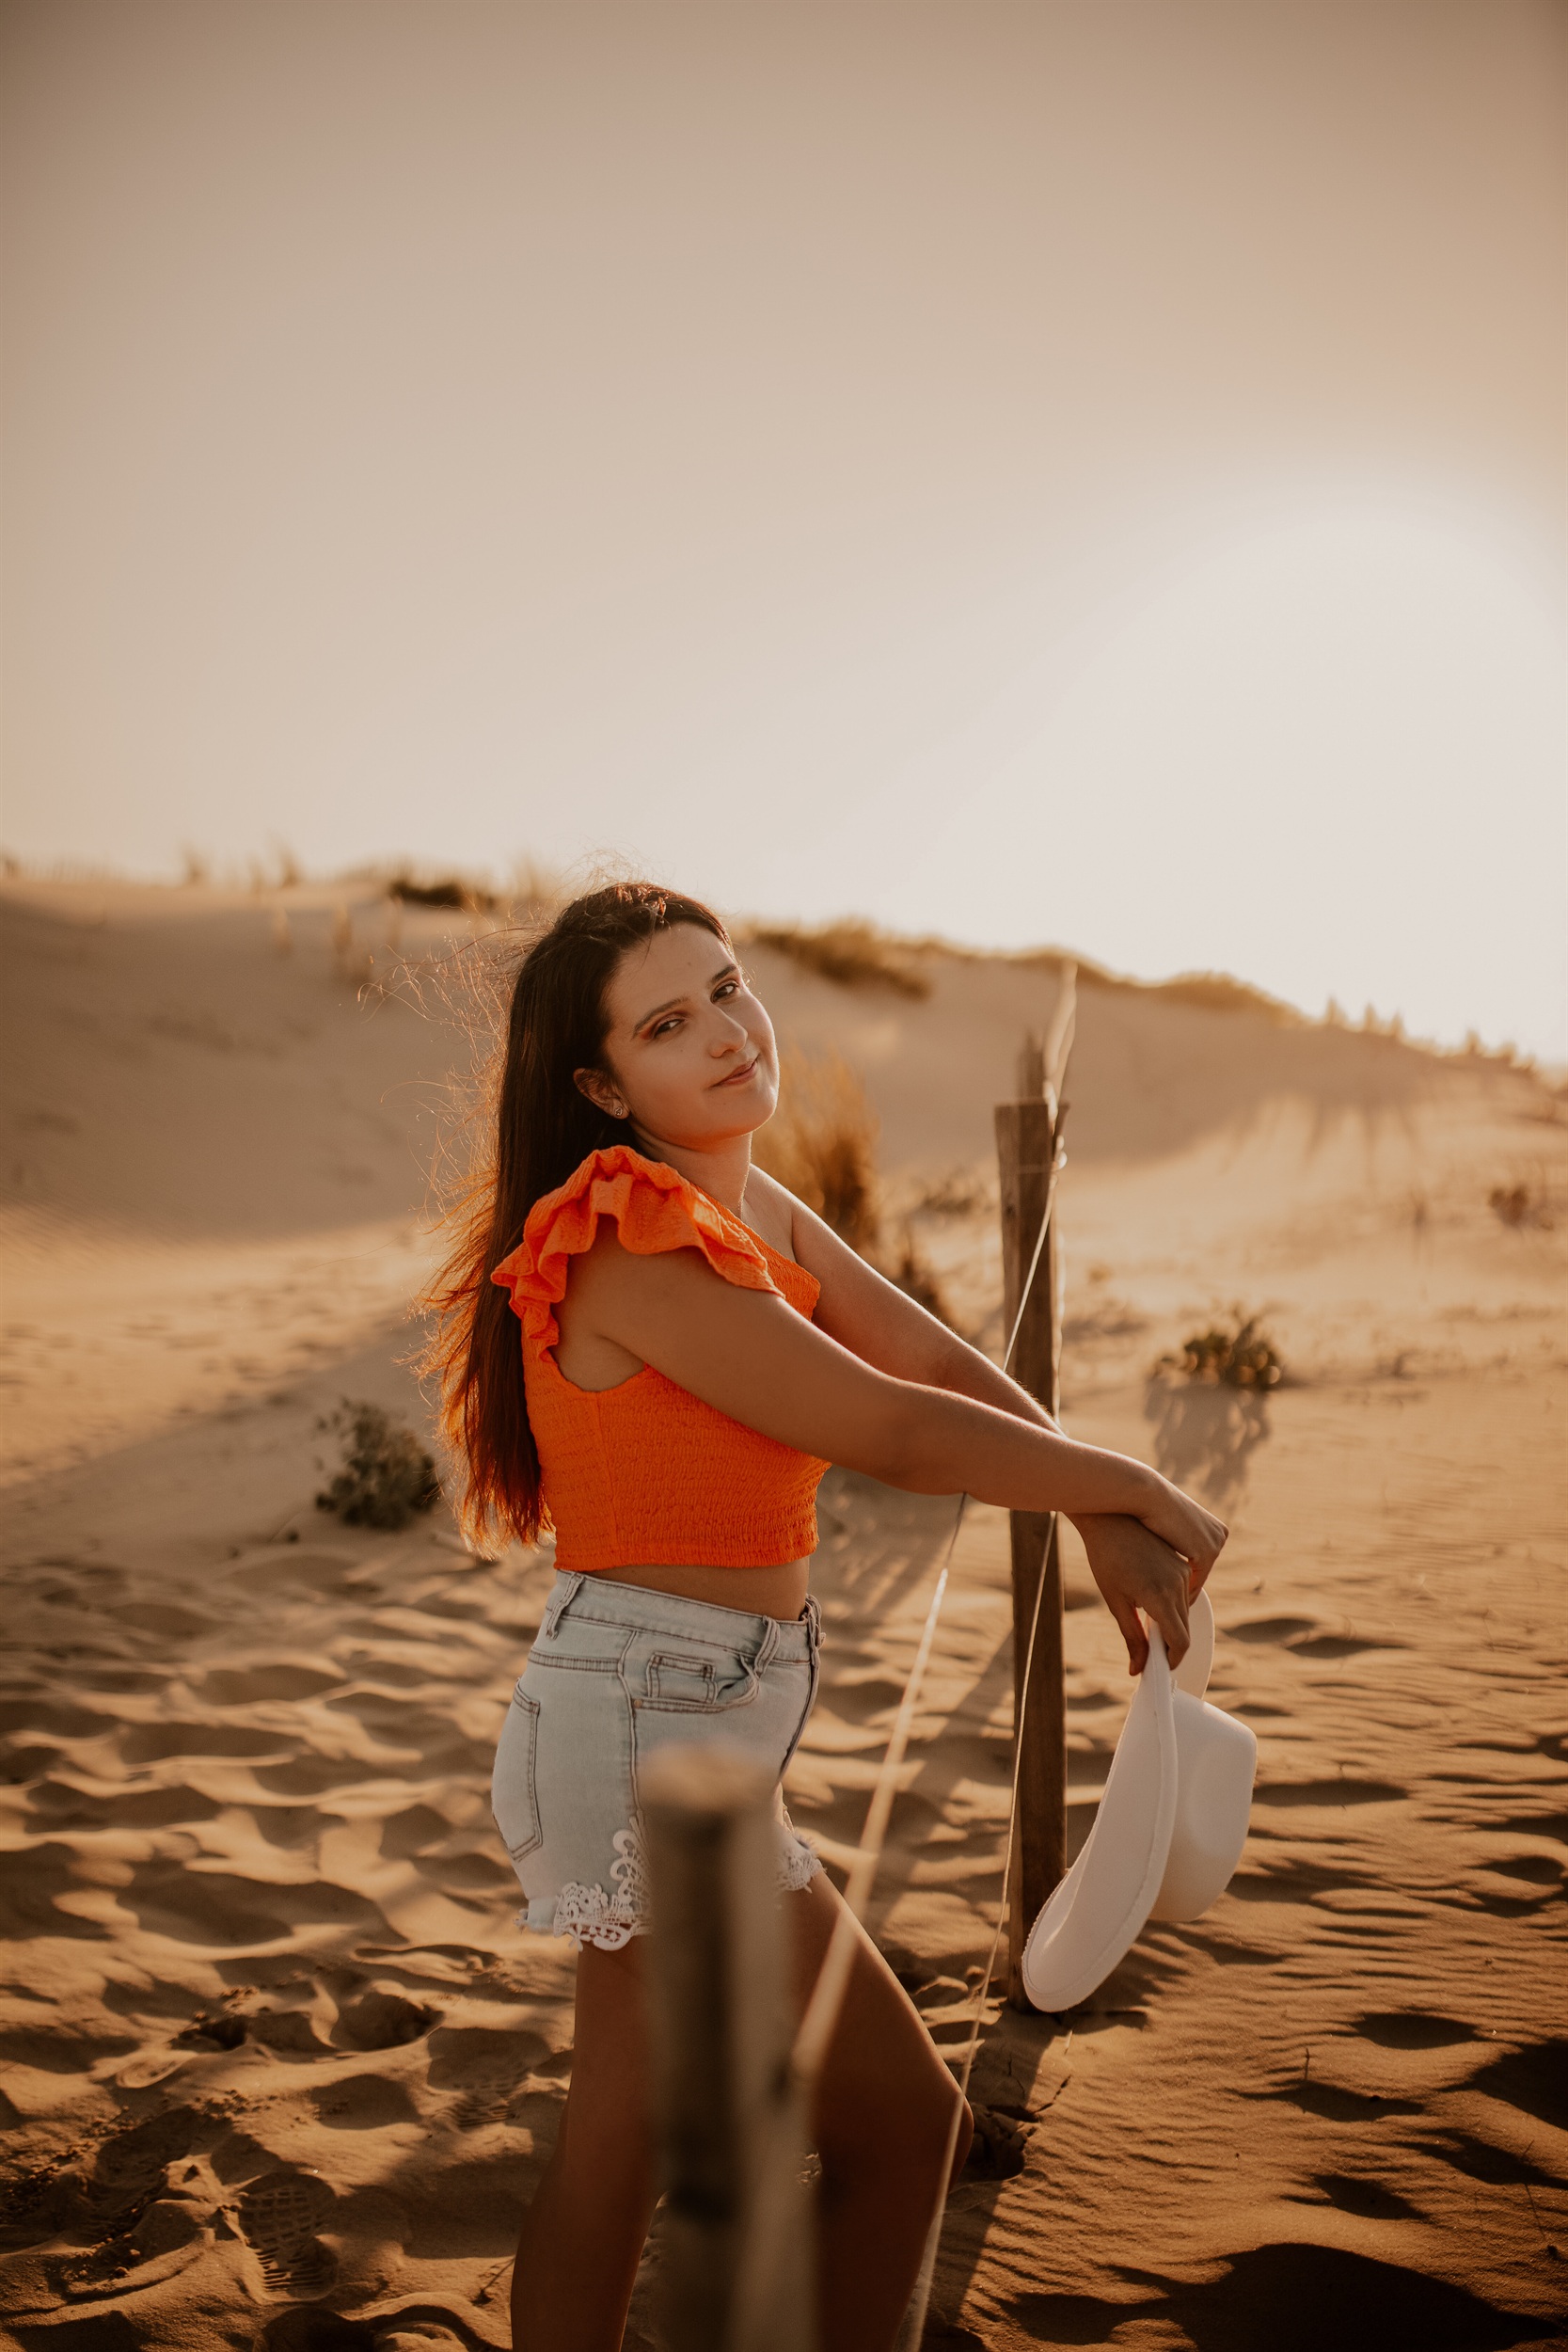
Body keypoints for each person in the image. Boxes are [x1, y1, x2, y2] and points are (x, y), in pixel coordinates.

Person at [425, 882, 1227, 2352]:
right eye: (670, 1024)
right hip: (643, 1727)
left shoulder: (745, 1200)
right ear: (603, 1087)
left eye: (729, 987)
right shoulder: (626, 1236)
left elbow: (932, 1363)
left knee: (758, 2139)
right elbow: (889, 1431)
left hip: (697, 1726)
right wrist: (1127, 1483)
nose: (729, 1032)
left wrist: (1098, 1512)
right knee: (755, 2135)